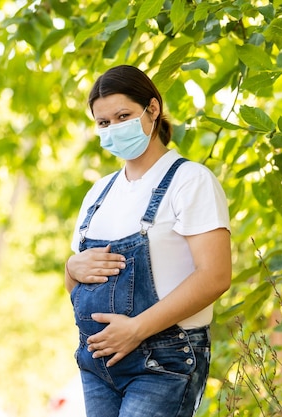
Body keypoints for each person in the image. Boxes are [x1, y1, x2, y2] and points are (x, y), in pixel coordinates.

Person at [65, 65, 232, 417]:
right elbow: (78, 286)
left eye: (123, 116)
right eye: (104, 123)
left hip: (163, 359)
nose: (113, 128)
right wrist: (71, 266)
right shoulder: (99, 193)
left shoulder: (190, 181)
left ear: (152, 109)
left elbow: (215, 276)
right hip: (98, 361)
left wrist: (137, 329)